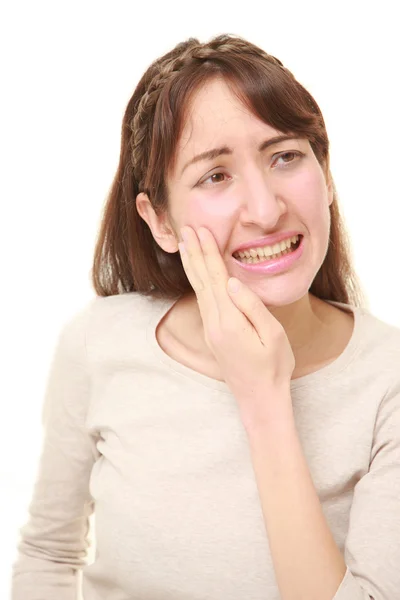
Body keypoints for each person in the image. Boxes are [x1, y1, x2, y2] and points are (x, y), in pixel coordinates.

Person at [11, 34, 400, 600]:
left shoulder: (389, 379)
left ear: (327, 173)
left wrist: (265, 402)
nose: (266, 210)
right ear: (159, 221)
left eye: (285, 156)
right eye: (215, 175)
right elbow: (48, 555)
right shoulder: (99, 342)